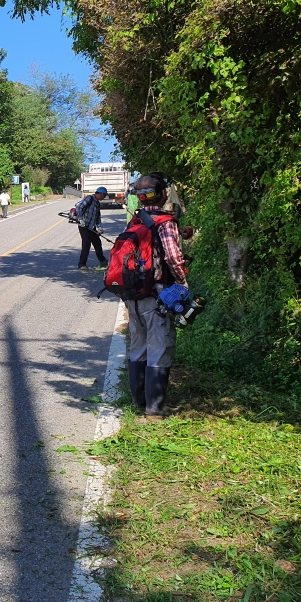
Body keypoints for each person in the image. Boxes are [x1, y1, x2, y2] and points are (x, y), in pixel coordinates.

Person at [126, 173, 189, 418]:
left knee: (138, 344)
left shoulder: (135, 220)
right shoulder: (165, 222)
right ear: (163, 194)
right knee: (159, 346)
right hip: (157, 293)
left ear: (141, 198)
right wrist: (182, 282)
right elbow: (172, 256)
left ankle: (138, 400)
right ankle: (154, 409)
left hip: (132, 294)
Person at [76, 186, 108, 270]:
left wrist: (99, 227)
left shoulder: (97, 203)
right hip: (83, 226)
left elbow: (97, 217)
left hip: (91, 227)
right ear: (100, 194)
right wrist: (80, 219)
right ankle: (82, 264)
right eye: (104, 196)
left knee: (97, 243)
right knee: (86, 244)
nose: (104, 197)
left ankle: (102, 261)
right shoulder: (89, 199)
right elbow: (79, 207)